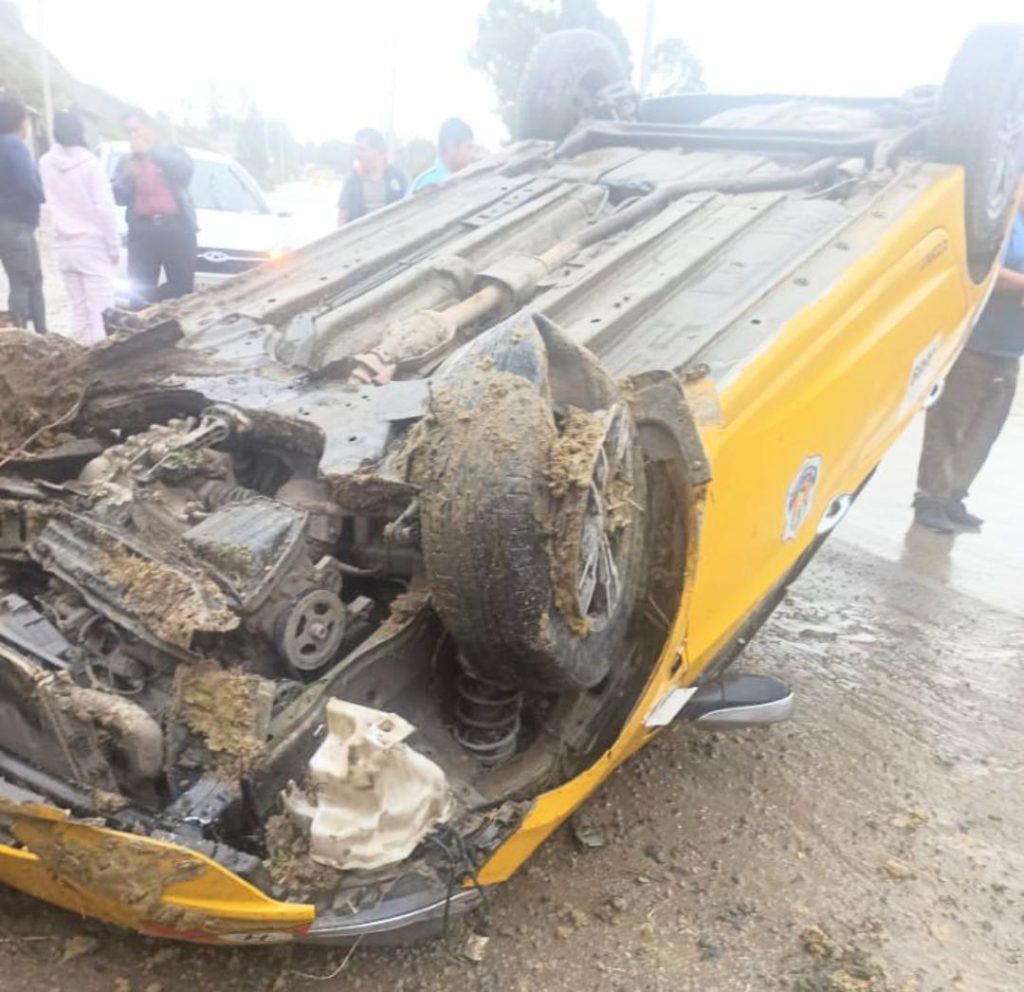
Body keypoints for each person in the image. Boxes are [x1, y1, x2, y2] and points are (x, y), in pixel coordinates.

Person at [914, 203, 1024, 533]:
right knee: (949, 424)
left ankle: (953, 497)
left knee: (984, 431)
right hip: (972, 344)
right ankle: (929, 500)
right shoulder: (1003, 224)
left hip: (1010, 349)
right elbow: (982, 271)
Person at [39, 110, 120, 345]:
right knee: (102, 314)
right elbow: (105, 208)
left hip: (64, 246)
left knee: (80, 312)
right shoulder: (91, 164)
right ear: (80, 131)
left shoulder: (45, 163)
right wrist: (113, 244)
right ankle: (102, 366)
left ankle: (80, 362)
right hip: (92, 245)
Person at [112, 107, 196, 305]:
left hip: (177, 229)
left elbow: (185, 172)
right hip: (143, 232)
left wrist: (151, 153)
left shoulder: (172, 152)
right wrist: (128, 177)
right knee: (139, 294)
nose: (134, 135)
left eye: (137, 129)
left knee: (183, 291)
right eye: (129, 132)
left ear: (148, 128)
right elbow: (117, 196)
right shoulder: (126, 162)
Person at [0, 96, 46, 332]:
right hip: (16, 224)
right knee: (24, 283)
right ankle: (20, 338)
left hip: (8, 225)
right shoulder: (13, 145)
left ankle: (40, 333)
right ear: (20, 122)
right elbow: (28, 181)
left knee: (33, 279)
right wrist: (43, 194)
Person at [336, 128, 407, 226]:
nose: (357, 153)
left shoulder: (398, 178)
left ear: (378, 151)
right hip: (360, 237)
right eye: (356, 149)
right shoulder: (353, 180)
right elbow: (342, 216)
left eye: (362, 149)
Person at [410, 117, 476, 193]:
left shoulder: (465, 181)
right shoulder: (427, 185)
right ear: (451, 147)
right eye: (468, 147)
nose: (472, 155)